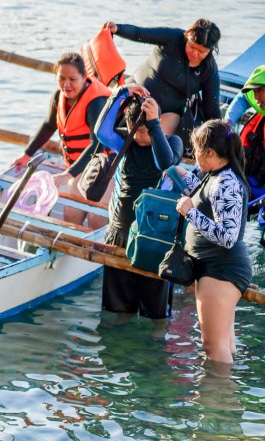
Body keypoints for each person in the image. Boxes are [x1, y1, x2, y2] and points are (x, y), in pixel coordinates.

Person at [95, 84, 184, 320]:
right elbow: (101, 131)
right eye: (136, 131)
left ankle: (154, 350)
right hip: (120, 234)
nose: (139, 137)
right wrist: (121, 92)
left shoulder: (171, 142)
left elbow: (166, 163)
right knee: (117, 311)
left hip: (154, 236)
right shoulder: (125, 141)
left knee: (155, 315)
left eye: (145, 131)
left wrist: (153, 124)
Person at [173, 120, 252, 365]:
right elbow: (209, 198)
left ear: (208, 152)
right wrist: (186, 178)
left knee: (214, 347)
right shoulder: (217, 176)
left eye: (196, 149)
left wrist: (190, 213)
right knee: (223, 344)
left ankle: (218, 399)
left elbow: (228, 237)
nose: (194, 155)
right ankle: (222, 398)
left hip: (221, 270)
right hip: (217, 269)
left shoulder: (225, 182)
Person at [13, 52, 111, 221]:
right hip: (78, 167)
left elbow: (98, 145)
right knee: (70, 218)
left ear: (84, 77)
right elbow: (48, 125)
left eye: (72, 79)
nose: (66, 85)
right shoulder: (58, 97)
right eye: (61, 78)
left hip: (104, 168)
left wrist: (67, 175)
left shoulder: (96, 102)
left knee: (97, 220)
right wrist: (27, 153)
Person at [105, 19, 221, 134]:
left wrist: (222, 134)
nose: (195, 53)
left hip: (165, 115)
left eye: (201, 51)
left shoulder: (209, 70)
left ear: (210, 51)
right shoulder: (174, 37)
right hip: (134, 93)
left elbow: (211, 108)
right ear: (187, 36)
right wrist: (118, 29)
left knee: (151, 137)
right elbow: (140, 33)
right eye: (192, 46)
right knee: (106, 120)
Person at [225, 64, 265, 200]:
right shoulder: (264, 115)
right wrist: (227, 123)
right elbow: (242, 99)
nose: (256, 96)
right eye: (254, 91)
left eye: (260, 90)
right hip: (254, 184)